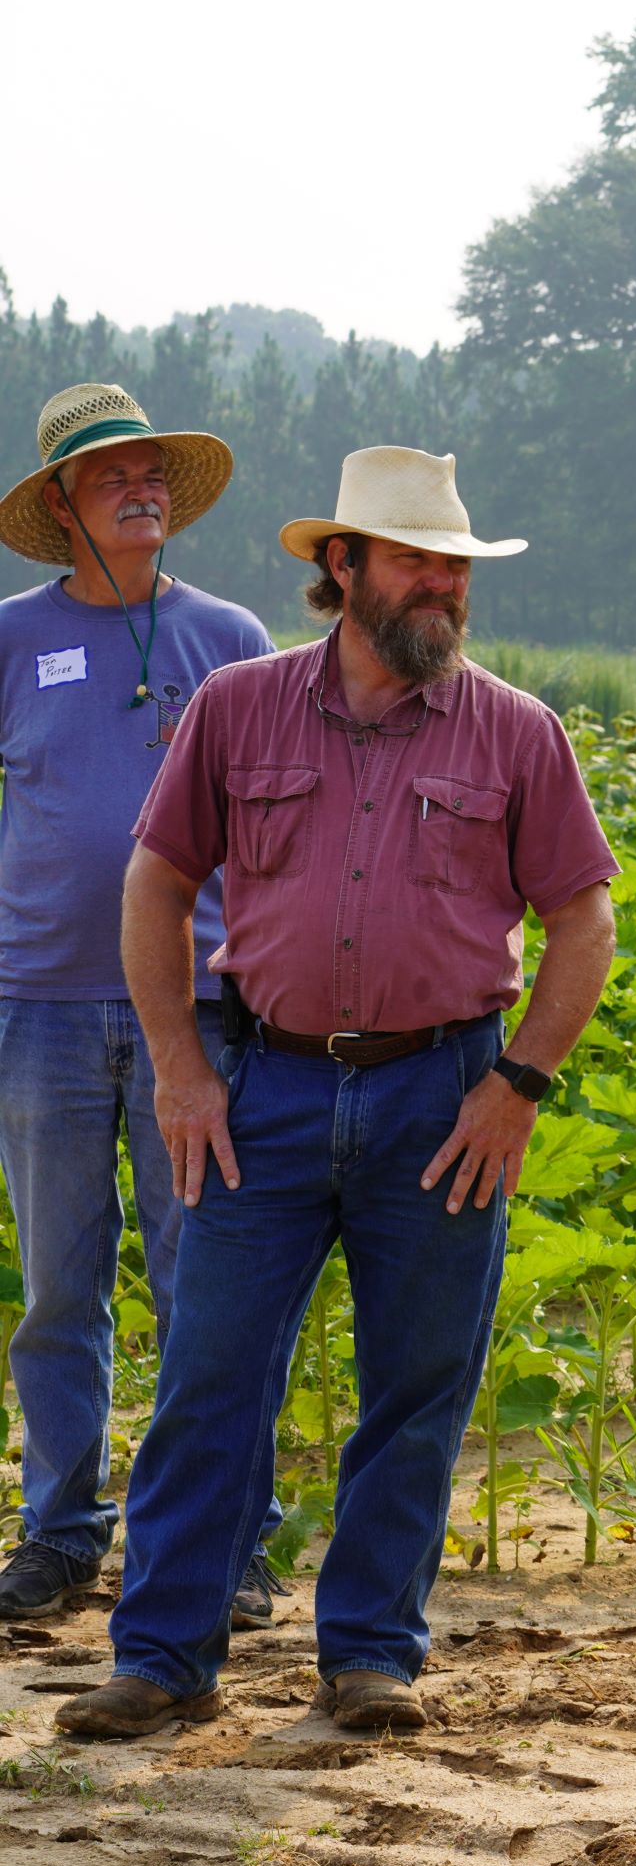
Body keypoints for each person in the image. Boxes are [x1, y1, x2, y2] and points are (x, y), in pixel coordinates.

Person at [61, 449, 618, 1740]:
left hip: (445, 1097)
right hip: (263, 1087)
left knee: (418, 1380)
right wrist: (181, 1067)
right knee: (210, 1369)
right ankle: (163, 1655)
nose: (443, 586)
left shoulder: (516, 732)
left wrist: (519, 1086)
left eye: (455, 566)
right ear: (341, 568)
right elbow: (154, 887)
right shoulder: (239, 709)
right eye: (416, 560)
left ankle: (371, 1650)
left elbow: (583, 925)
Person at [0, 385, 282, 1632]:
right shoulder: (13, 639)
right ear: (61, 504)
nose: (139, 486)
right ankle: (60, 1532)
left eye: (151, 468)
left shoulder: (231, 636)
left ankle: (233, 1540)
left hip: (199, 1014)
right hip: (39, 1008)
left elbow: (289, 820)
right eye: (109, 473)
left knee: (208, 1289)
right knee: (62, 1288)